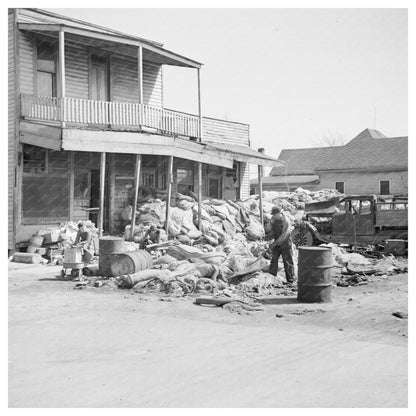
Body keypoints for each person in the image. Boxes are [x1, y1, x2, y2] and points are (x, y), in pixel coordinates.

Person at [268, 206, 295, 284]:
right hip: (277, 241)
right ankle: (271, 278)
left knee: (287, 261)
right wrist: (269, 236)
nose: (274, 216)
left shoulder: (286, 221)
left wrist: (274, 244)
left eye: (275, 214)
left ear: (280, 213)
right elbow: (273, 231)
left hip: (285, 242)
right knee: (274, 260)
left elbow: (284, 235)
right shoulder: (274, 220)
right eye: (273, 215)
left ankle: (290, 280)